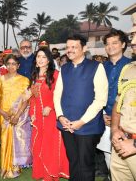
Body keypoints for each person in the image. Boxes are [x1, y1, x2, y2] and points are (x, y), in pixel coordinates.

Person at [54, 34, 108, 181]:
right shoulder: (64, 69)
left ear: (84, 48)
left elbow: (100, 100)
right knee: (73, 161)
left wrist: (81, 121)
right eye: (68, 47)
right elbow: (57, 95)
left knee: (85, 164)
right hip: (66, 124)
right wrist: (60, 116)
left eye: (74, 47)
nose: (69, 50)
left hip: (87, 126)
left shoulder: (96, 67)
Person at [30, 48, 69, 180]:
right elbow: (33, 98)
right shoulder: (34, 76)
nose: (40, 59)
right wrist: (32, 113)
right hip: (38, 118)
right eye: (38, 56)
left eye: (43, 57)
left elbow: (62, 95)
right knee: (38, 146)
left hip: (51, 117)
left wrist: (51, 107)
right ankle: (41, 172)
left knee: (49, 147)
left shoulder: (56, 75)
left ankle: (50, 175)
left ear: (48, 60)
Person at [96, 29, 130, 173]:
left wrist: (119, 118)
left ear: (123, 44)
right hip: (105, 117)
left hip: (127, 120)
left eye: (114, 43)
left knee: (127, 155)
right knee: (108, 154)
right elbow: (97, 93)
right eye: (108, 44)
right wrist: (101, 114)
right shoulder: (101, 68)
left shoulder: (132, 66)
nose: (110, 46)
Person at [110, 13, 136, 181]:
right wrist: (114, 129)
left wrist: (134, 144)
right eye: (133, 36)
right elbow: (118, 103)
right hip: (121, 143)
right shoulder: (128, 69)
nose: (133, 42)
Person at [0, 54, 31, 178]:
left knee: (15, 141)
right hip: (4, 115)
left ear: (18, 65)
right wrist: (1, 112)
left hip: (18, 115)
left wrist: (17, 115)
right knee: (5, 140)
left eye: (14, 64)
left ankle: (15, 168)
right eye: (9, 64)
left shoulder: (24, 80)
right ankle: (4, 167)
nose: (11, 66)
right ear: (5, 65)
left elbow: (26, 100)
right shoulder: (0, 79)